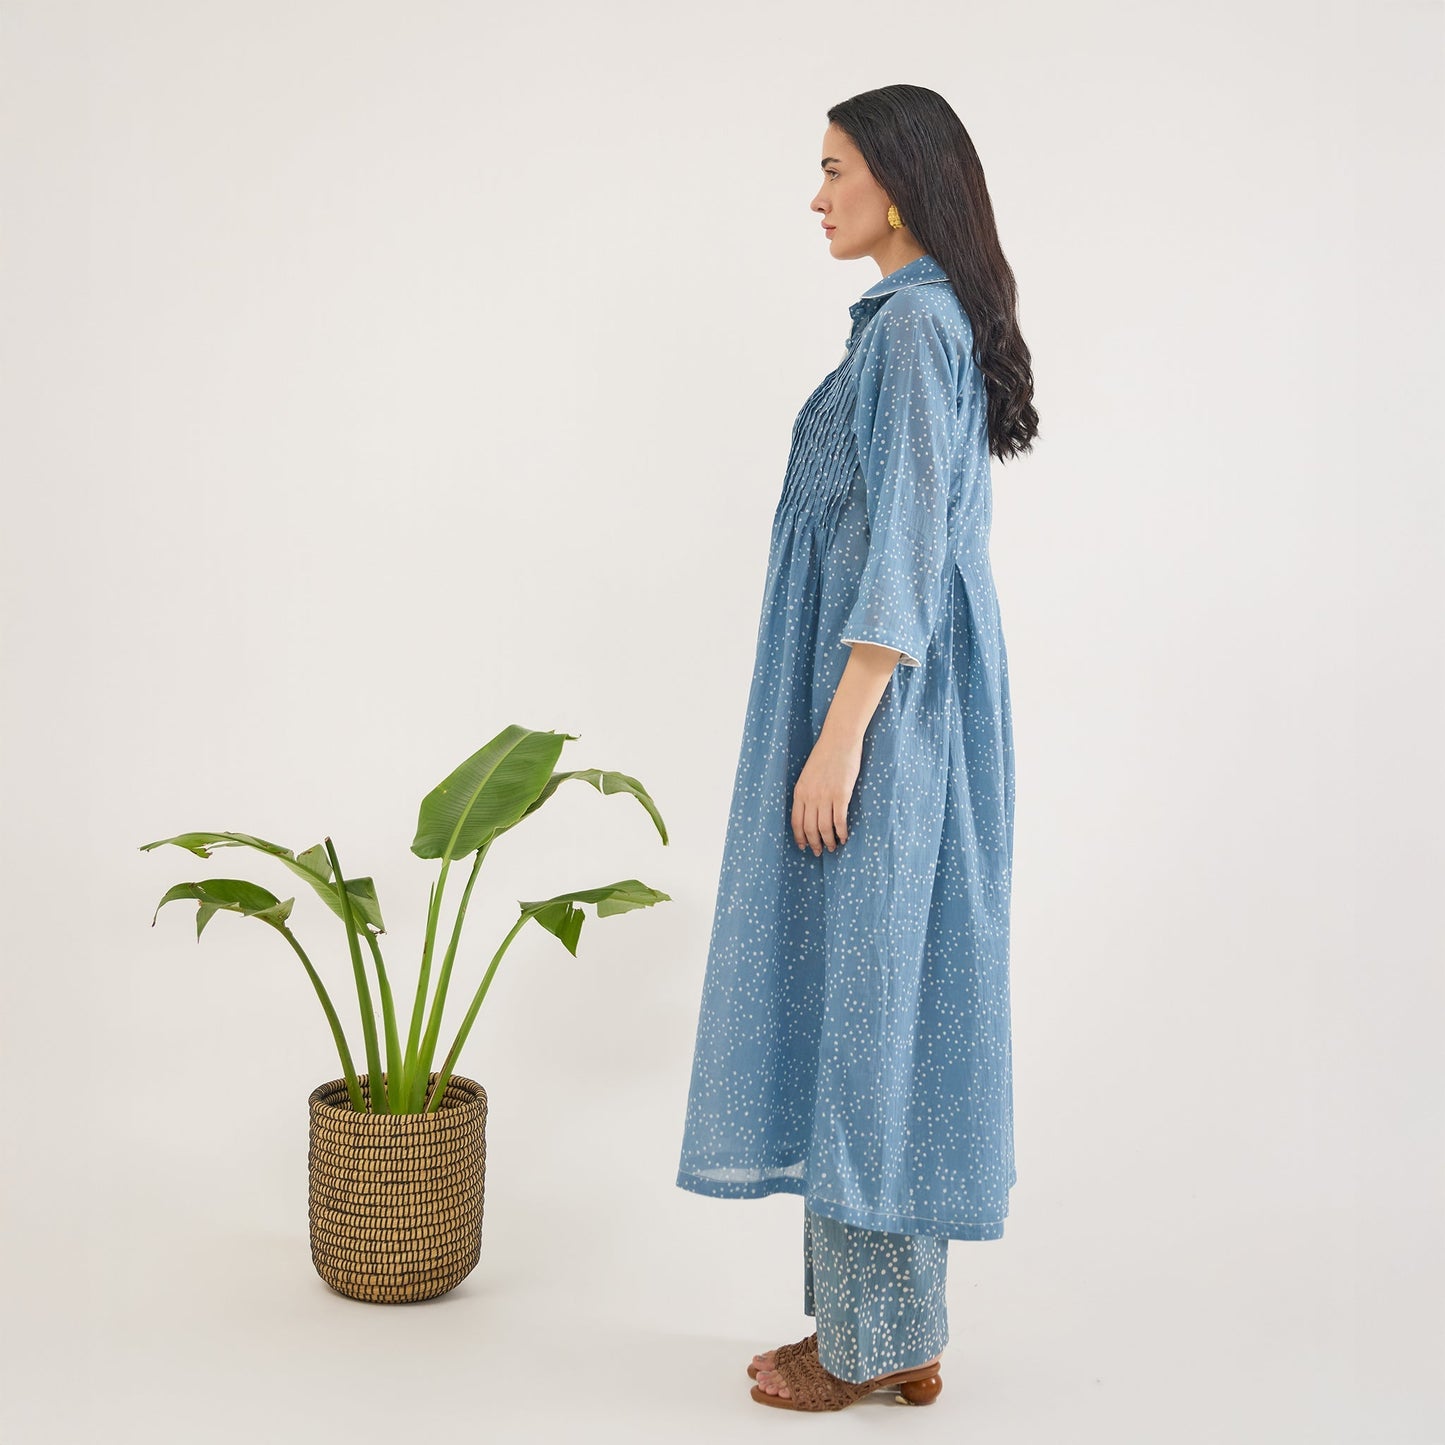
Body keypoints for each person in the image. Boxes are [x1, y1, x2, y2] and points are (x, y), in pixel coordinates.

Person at [674, 84, 1039, 1413]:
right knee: (879, 1005)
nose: (817, 195)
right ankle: (894, 1327)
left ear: (897, 179)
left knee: (871, 1011)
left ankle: (867, 1341)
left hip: (885, 721)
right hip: (905, 713)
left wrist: (838, 740)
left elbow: (904, 556)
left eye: (835, 169)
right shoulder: (916, 324)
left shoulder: (911, 333)